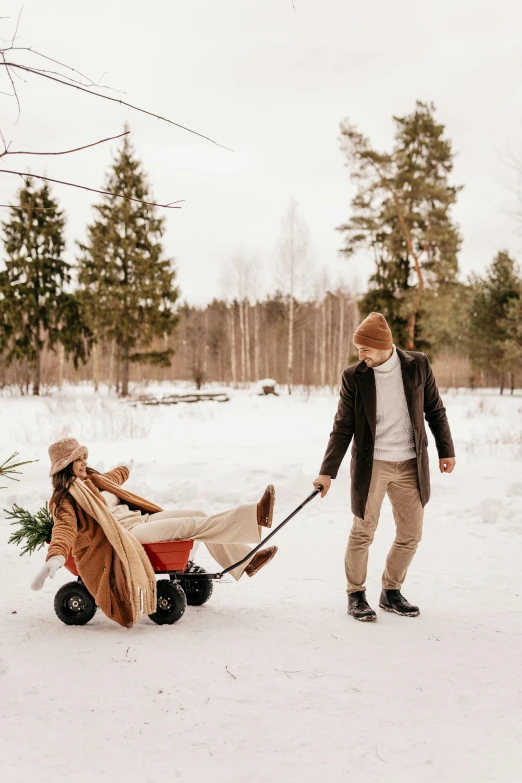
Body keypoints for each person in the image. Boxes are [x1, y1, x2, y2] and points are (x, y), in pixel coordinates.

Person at [31, 437, 277, 627]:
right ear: (66, 466)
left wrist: (126, 468)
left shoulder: (92, 481)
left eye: (84, 456)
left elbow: (114, 478)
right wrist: (55, 558)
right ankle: (254, 515)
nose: (84, 462)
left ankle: (245, 563)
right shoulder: (65, 500)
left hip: (143, 519)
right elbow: (64, 529)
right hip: (130, 534)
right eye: (78, 459)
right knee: (191, 527)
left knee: (198, 514)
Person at [313, 312, 456, 622]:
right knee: (363, 531)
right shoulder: (355, 376)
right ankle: (356, 594)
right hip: (372, 465)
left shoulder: (417, 365)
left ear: (383, 346)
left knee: (411, 533)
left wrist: (447, 449)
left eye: (365, 349)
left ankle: (391, 591)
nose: (361, 356)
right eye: (358, 350)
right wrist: (327, 471)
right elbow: (342, 426)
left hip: (409, 464)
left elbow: (435, 409)